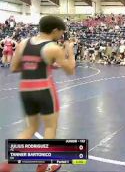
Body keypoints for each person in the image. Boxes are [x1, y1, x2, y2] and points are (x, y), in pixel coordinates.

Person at [0, 16, 76, 172]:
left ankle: (6, 165)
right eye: (61, 33)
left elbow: (14, 68)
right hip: (44, 90)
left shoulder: (23, 43)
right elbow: (70, 70)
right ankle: (43, 165)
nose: (61, 36)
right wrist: (69, 49)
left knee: (30, 128)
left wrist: (39, 65)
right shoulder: (53, 47)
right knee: (50, 127)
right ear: (55, 30)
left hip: (26, 90)